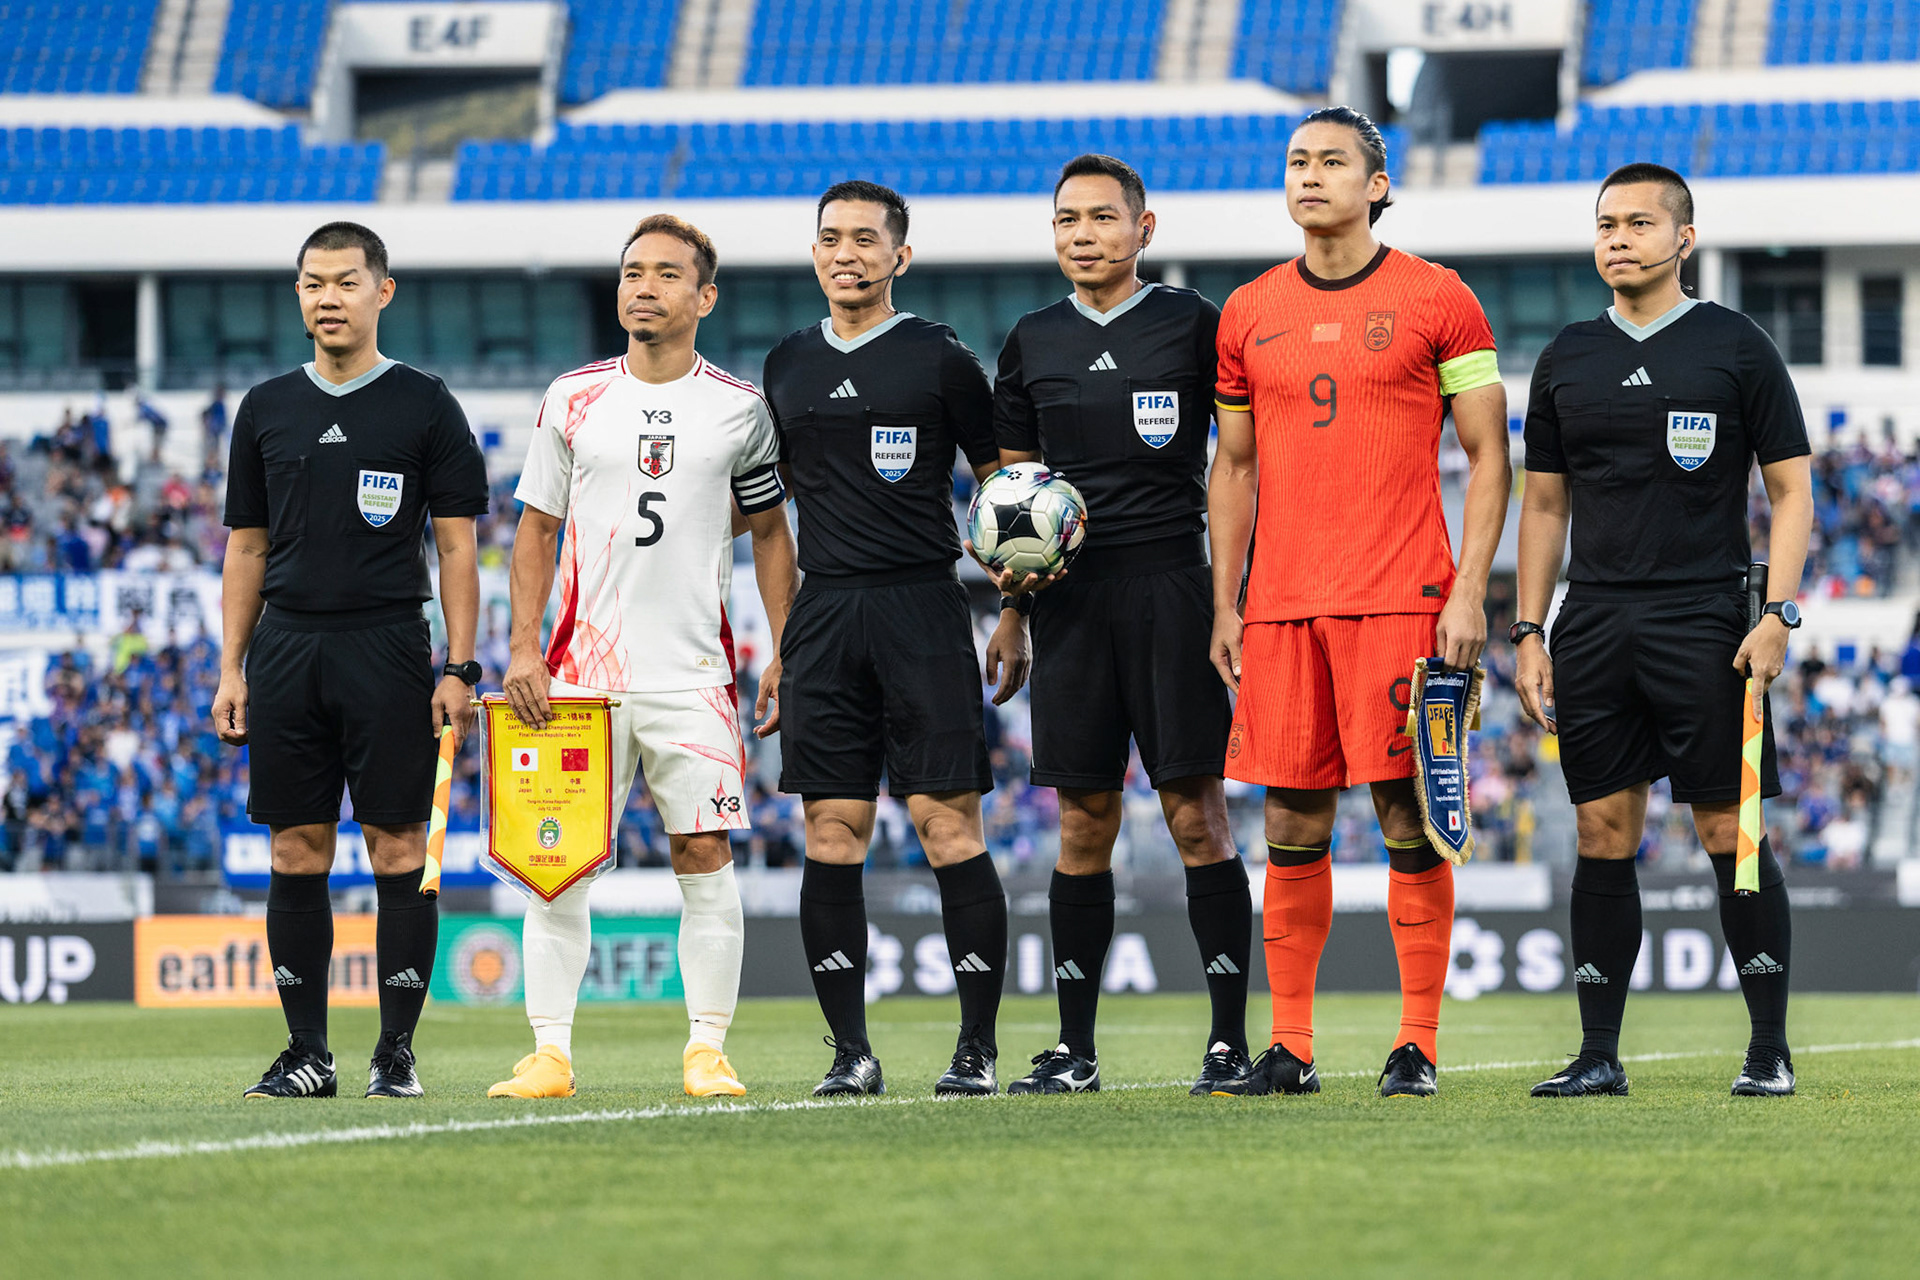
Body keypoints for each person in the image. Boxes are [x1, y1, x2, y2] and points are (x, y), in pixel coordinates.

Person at [1206, 107, 1511, 1099]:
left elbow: (1491, 456)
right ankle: (1289, 1047)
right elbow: (1235, 467)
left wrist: (1470, 591)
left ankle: (1415, 1042)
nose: (1310, 175)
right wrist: (1227, 602)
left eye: (1333, 161)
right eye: (1297, 160)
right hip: (1285, 603)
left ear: (1377, 183)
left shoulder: (1439, 298)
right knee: (1289, 817)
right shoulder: (1247, 311)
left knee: (1405, 811)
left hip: (1403, 598)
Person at [1514, 163, 1813, 1098]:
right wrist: (1528, 629)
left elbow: (1792, 490)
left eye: (1640, 223)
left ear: (1684, 238)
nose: (1618, 238)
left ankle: (1769, 1048)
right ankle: (1599, 1053)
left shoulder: (1737, 344)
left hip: (1707, 618)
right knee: (1602, 828)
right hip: (1595, 618)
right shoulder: (1566, 355)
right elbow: (1546, 506)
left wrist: (1779, 614)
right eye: (1606, 223)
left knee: (1729, 827)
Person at [489, 215, 799, 1101]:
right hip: (579, 679)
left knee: (704, 858)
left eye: (667, 274)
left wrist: (784, 647)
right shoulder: (573, 396)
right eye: (632, 272)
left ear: (704, 297)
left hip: (695, 677)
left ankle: (708, 1051)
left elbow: (772, 531)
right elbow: (535, 530)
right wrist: (521, 647)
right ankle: (549, 1052)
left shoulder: (739, 408)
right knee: (556, 864)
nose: (644, 286)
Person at [987, 154, 1251, 1096]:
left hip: (1173, 587)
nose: (1082, 234)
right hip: (1069, 604)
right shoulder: (1030, 340)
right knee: (1082, 821)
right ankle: (1075, 1050)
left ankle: (1228, 1044)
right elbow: (1011, 495)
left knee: (1197, 814)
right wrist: (1014, 612)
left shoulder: (1193, 323)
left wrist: (1228, 600)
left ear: (1145, 229)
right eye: (1066, 220)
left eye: (1102, 217)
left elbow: (1239, 462)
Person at [763, 180, 1024, 1098]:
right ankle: (851, 1054)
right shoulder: (786, 363)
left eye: (866, 240)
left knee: (946, 824)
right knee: (831, 829)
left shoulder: (942, 361)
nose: (847, 253)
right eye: (831, 238)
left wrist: (1014, 610)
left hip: (922, 607)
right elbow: (775, 514)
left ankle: (976, 1050)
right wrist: (783, 643)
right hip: (825, 615)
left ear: (899, 257)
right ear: (814, 252)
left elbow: (1006, 498)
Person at [216, 221, 488, 1098]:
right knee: (296, 850)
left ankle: (395, 1054)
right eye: (311, 284)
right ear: (298, 294)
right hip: (287, 647)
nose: (326, 298)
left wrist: (461, 666)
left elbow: (455, 550)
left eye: (343, 282)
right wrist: (231, 668)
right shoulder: (264, 408)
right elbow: (246, 551)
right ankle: (307, 1054)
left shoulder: (424, 404)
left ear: (382, 291)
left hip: (389, 645)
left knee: (398, 845)